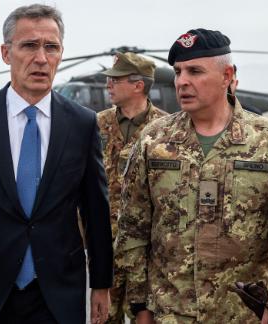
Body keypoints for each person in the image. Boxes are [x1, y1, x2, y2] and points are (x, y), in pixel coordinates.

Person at [115, 28, 268, 324]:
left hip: (245, 313)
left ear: (227, 76)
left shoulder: (267, 139)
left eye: (195, 71)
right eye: (178, 72)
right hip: (171, 314)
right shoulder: (154, 140)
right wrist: (139, 306)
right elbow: (133, 226)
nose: (183, 81)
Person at [0, 4, 113, 324]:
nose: (41, 58)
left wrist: (100, 283)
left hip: (57, 296)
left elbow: (95, 210)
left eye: (51, 47)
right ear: (5, 52)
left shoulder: (82, 124)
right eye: (29, 45)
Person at [98, 52, 168, 324]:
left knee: (146, 317)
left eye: (115, 80)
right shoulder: (96, 125)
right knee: (103, 317)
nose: (108, 85)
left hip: (148, 249)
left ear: (138, 85)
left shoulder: (166, 129)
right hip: (105, 246)